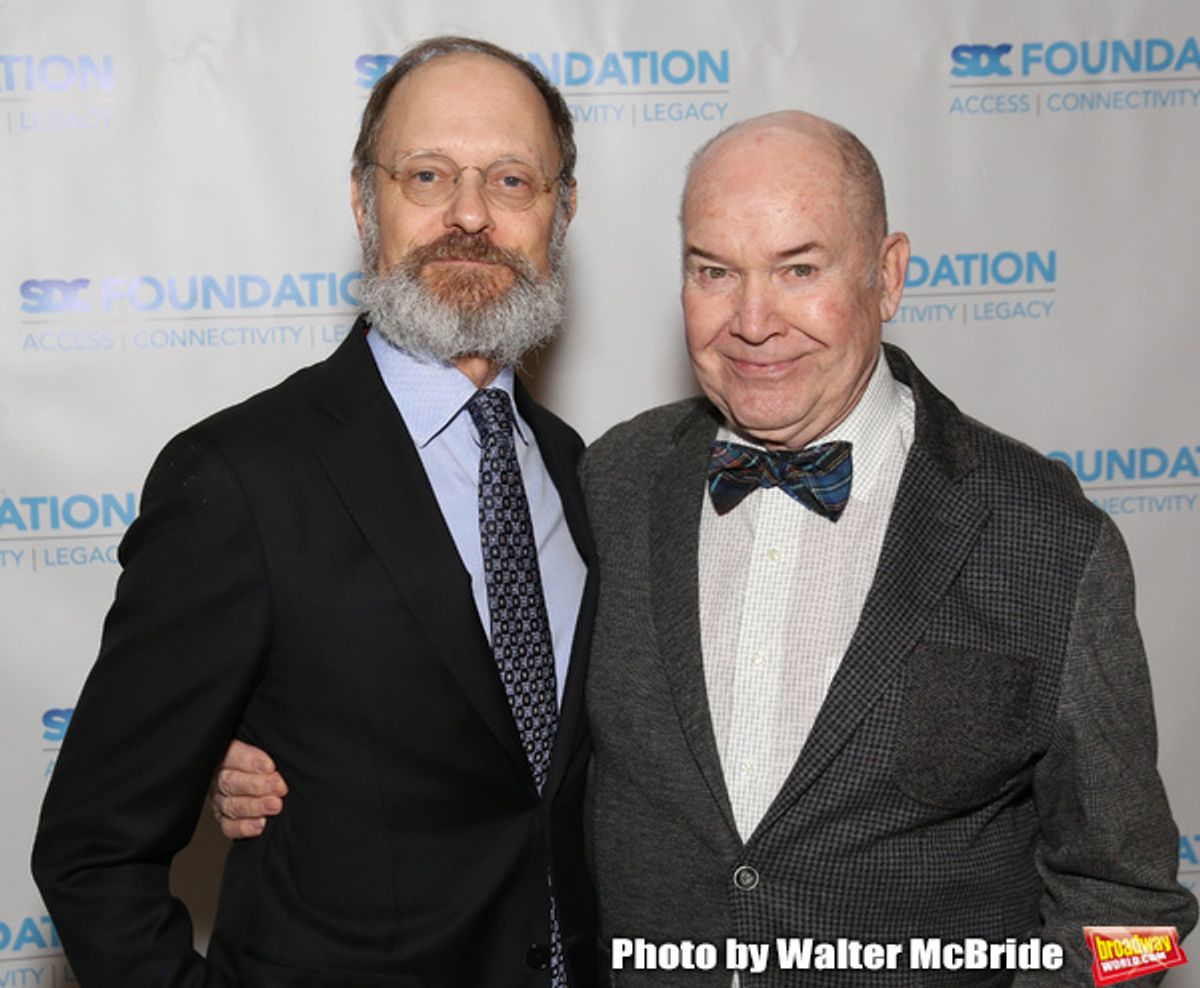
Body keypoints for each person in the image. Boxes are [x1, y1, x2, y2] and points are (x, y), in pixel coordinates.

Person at [214, 110, 1197, 985]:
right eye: (713, 271)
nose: (753, 321)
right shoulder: (605, 482)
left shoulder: (1045, 535)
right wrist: (270, 741)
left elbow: (1134, 906)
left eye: (800, 269)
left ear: (887, 274)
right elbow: (468, 703)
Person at [33, 36, 598, 988]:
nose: (469, 215)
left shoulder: (582, 471)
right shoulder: (240, 478)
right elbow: (92, 851)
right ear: (362, 201)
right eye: (426, 174)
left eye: (511, 180)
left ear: (562, 210)